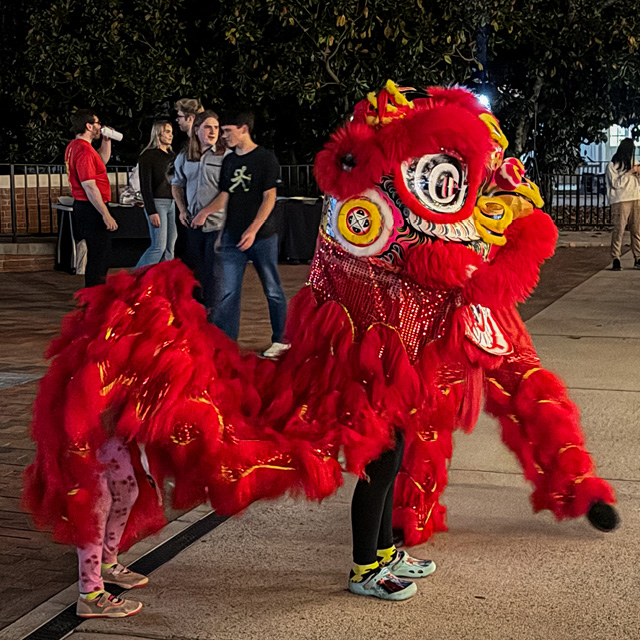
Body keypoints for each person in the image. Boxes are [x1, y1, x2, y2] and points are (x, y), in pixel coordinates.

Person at [192, 111, 289, 358]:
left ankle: (281, 339)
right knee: (228, 291)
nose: (223, 136)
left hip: (262, 236)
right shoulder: (230, 161)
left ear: (243, 129)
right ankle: (225, 344)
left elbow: (269, 197)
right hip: (231, 236)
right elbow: (226, 195)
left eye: (227, 131)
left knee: (272, 288)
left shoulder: (265, 158)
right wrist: (207, 214)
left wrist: (253, 230)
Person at [172, 110, 229, 317]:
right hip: (192, 225)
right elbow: (177, 185)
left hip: (217, 225)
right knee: (193, 273)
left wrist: (205, 212)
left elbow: (227, 193)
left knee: (213, 275)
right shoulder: (185, 156)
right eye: (207, 127)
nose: (213, 131)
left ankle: (215, 320)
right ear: (196, 130)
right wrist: (182, 210)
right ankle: (194, 317)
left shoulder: (225, 157)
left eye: (216, 127)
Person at [64, 109, 118, 287]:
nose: (100, 127)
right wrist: (105, 213)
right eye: (97, 123)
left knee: (98, 254)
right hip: (91, 207)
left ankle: (94, 296)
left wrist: (106, 142)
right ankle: (94, 297)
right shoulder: (84, 151)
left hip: (85, 206)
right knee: (99, 256)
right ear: (88, 126)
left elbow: (101, 162)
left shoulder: (76, 147)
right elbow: (89, 186)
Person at [135, 121, 177, 268]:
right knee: (159, 246)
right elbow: (145, 186)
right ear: (158, 133)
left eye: (171, 132)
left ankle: (163, 282)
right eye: (167, 131)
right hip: (158, 202)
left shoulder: (172, 156)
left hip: (172, 203)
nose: (170, 135)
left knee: (170, 247)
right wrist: (151, 210)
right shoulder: (148, 156)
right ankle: (136, 279)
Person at [605, 137, 640, 271]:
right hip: (620, 199)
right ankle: (616, 258)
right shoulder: (612, 165)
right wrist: (629, 172)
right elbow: (615, 184)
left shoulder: (633, 162)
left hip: (635, 197)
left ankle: (638, 257)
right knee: (619, 229)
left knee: (636, 229)